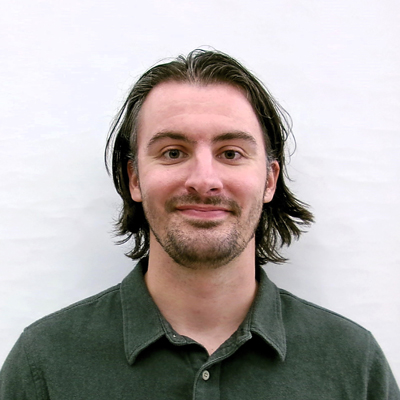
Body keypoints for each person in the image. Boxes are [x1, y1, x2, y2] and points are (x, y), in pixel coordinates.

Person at [0, 49, 398, 399]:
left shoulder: (353, 363)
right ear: (135, 179)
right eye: (173, 152)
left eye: (231, 153)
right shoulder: (45, 363)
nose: (204, 180)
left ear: (269, 181)